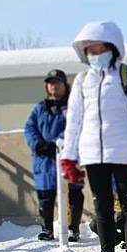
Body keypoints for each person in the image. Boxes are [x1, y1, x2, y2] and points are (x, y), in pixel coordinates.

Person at [61, 21, 127, 252]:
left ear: (113, 48)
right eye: (91, 50)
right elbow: (75, 121)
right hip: (93, 154)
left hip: (124, 153)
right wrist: (68, 157)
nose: (97, 55)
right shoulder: (81, 80)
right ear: (85, 53)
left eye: (101, 49)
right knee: (102, 205)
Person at [24, 69, 84, 242]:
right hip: (44, 161)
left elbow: (77, 127)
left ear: (64, 85)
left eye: (57, 83)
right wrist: (38, 144)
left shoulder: (73, 106)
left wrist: (61, 142)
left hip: (68, 156)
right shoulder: (40, 108)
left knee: (74, 195)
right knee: (45, 197)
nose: (54, 86)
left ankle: (73, 229)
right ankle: (47, 229)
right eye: (51, 83)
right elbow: (29, 128)